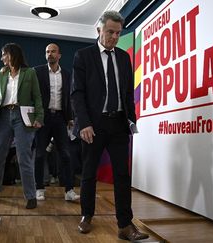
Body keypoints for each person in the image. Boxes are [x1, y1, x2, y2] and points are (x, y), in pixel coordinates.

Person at [71, 10, 149, 241]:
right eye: (109, 32)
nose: (114, 37)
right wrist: (83, 123)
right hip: (93, 126)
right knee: (88, 174)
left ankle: (125, 225)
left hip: (118, 125)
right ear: (99, 30)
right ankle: (86, 215)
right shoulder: (83, 56)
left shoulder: (124, 58)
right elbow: (77, 93)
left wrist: (131, 120)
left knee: (123, 176)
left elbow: (127, 93)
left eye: (117, 33)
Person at [0, 43, 44, 210]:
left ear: (12, 54)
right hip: (4, 116)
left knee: (23, 157)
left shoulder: (30, 72)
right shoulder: (1, 74)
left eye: (4, 54)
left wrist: (39, 117)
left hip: (23, 117)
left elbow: (37, 97)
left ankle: (30, 196)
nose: (2, 58)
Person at [33, 43, 80, 201]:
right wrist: (34, 117)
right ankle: (39, 188)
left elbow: (69, 98)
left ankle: (69, 190)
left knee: (66, 155)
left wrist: (70, 117)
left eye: (53, 51)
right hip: (42, 118)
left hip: (60, 118)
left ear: (59, 55)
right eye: (47, 51)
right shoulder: (37, 72)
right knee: (39, 154)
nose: (50, 54)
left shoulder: (67, 74)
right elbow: (32, 96)